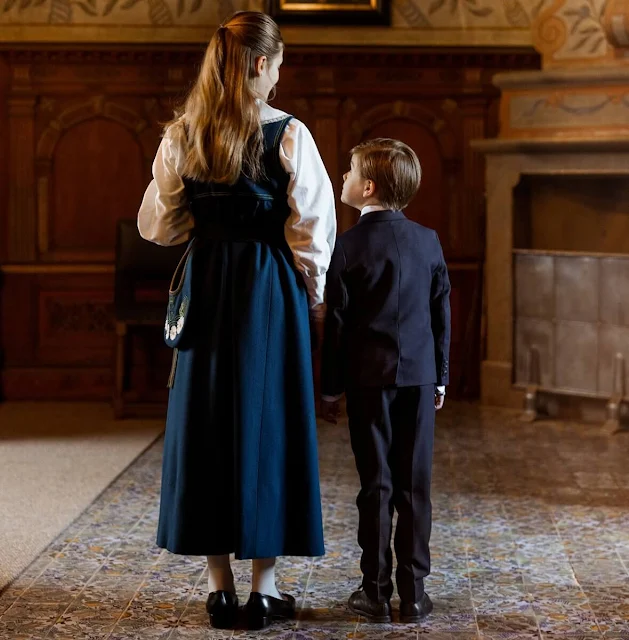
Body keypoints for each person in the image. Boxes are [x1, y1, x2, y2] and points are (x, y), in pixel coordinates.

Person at [137, 11, 336, 631]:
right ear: (259, 64)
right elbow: (313, 230)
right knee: (265, 425)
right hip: (267, 293)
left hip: (207, 286)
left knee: (205, 426)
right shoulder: (289, 134)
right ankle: (265, 589)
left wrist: (210, 231)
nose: (279, 76)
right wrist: (312, 292)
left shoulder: (182, 135)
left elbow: (160, 225)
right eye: (277, 64)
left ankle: (219, 588)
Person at [320, 138, 450, 624]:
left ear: (367, 187)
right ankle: (414, 594)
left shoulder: (348, 246)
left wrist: (331, 388)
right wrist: (440, 376)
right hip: (418, 378)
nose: (343, 179)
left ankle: (373, 592)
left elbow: (335, 324)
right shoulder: (428, 240)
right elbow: (441, 314)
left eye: (349, 172)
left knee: (375, 485)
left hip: (368, 381)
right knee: (415, 485)